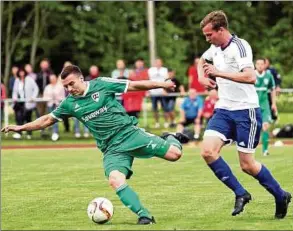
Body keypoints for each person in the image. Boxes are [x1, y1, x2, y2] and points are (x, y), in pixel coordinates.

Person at [2, 65, 189, 225]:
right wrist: (21, 127)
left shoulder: (101, 84)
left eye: (71, 84)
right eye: (65, 86)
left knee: (174, 154)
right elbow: (46, 120)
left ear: (81, 79)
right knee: (115, 179)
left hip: (130, 134)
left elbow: (133, 85)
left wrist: (162, 84)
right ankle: (144, 216)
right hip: (111, 149)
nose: (69, 89)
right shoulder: (69, 104)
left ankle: (171, 136)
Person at [197, 10, 291, 219]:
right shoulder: (215, 47)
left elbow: (250, 77)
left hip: (245, 111)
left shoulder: (240, 46)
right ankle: (240, 193)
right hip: (224, 109)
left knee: (247, 165)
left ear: (221, 30)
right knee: (207, 152)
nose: (207, 39)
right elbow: (202, 60)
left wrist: (217, 73)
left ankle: (280, 195)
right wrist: (202, 77)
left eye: (209, 34)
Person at [255, 58, 277, 156]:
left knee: (265, 126)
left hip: (265, 105)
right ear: (255, 65)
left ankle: (265, 150)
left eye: (261, 64)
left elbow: (273, 90)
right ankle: (249, 149)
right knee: (253, 128)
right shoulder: (251, 74)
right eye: (258, 64)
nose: (260, 65)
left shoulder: (269, 75)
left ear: (265, 65)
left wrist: (274, 104)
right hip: (253, 105)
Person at [12, 68, 39, 139]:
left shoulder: (29, 79)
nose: (21, 74)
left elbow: (36, 88)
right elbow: (15, 91)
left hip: (28, 102)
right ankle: (19, 133)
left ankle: (29, 133)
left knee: (28, 118)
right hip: (19, 102)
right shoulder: (17, 80)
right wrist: (14, 97)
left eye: (22, 72)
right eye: (20, 72)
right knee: (19, 117)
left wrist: (33, 97)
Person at [43, 74, 66, 141]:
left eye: (53, 78)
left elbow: (62, 96)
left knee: (55, 119)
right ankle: (52, 132)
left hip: (57, 105)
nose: (52, 80)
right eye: (51, 79)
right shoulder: (47, 87)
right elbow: (45, 97)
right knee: (49, 119)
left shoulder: (60, 87)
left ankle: (55, 133)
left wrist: (56, 99)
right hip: (50, 104)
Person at [148, 58, 169, 128]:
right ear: (155, 63)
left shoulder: (165, 70)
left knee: (165, 108)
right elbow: (148, 80)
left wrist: (165, 90)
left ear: (161, 63)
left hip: (162, 92)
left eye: (159, 62)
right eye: (156, 62)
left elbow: (167, 80)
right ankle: (157, 123)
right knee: (155, 109)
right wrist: (148, 90)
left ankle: (166, 122)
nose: (158, 63)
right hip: (153, 92)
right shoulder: (150, 70)